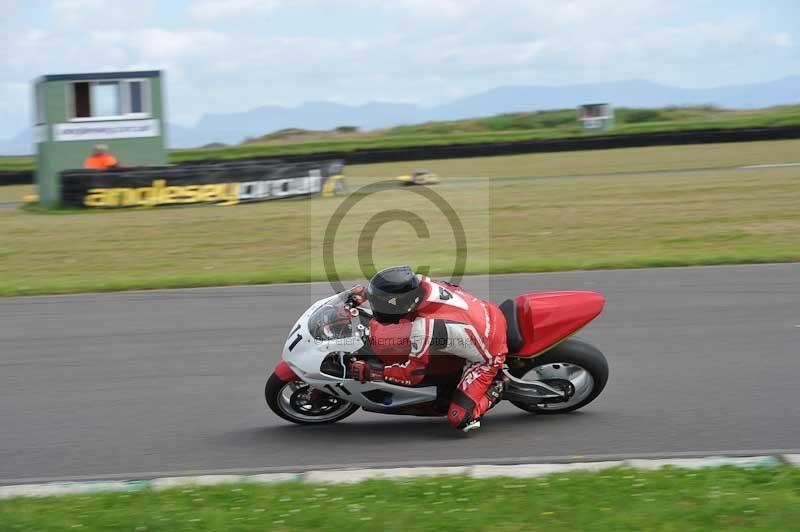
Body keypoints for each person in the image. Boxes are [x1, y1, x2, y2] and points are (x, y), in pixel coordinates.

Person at [347, 265, 507, 432]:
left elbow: (412, 375)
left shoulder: (423, 328)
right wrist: (366, 294)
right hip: (485, 311)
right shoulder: (420, 282)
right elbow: (396, 291)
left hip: (489, 353)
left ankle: (498, 387)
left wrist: (373, 372)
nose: (378, 307)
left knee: (459, 419)